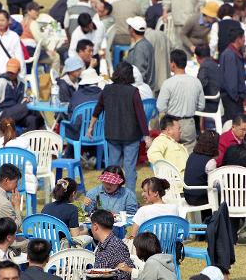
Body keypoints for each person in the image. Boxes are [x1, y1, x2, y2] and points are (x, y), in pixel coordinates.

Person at [87, 62, 151, 192]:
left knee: (113, 168)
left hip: (112, 134)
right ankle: (130, 198)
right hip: (131, 135)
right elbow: (140, 115)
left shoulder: (107, 89)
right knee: (130, 168)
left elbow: (98, 108)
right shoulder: (133, 91)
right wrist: (147, 135)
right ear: (130, 75)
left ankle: (112, 195)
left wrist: (91, 126)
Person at [157, 50, 205, 153]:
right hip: (189, 123)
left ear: (173, 64)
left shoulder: (168, 83)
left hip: (172, 124)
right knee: (189, 154)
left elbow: (161, 106)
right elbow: (201, 106)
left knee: (171, 153)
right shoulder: (196, 82)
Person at [0, 58, 43, 131]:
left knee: (32, 120)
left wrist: (28, 99)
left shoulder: (22, 83)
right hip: (3, 114)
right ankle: (43, 123)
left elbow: (24, 99)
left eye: (13, 72)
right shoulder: (1, 83)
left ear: (18, 71)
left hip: (19, 113)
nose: (10, 74)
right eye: (9, 71)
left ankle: (30, 140)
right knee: (28, 106)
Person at [64, 67, 102, 157]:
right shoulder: (104, 95)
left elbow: (70, 113)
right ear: (96, 81)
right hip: (100, 133)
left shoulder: (77, 95)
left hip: (78, 134)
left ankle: (69, 155)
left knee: (71, 124)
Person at [91, 209, 134, 280]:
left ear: (95, 226)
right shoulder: (102, 244)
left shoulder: (116, 246)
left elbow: (126, 274)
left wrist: (109, 275)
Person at [184, 131, 219, 215]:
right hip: (199, 198)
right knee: (218, 192)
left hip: (187, 195)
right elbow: (214, 183)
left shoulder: (191, 155)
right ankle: (215, 222)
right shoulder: (210, 162)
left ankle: (206, 223)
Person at [21, 1, 60, 72]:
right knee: (56, 57)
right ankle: (53, 80)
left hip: (23, 52)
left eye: (38, 10)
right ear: (29, 11)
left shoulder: (22, 22)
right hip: (31, 53)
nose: (38, 12)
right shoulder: (33, 23)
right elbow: (41, 41)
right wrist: (49, 49)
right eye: (35, 10)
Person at [219, 27, 246, 122]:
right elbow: (231, 80)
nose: (244, 40)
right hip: (232, 99)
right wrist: (236, 97)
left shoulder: (235, 53)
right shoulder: (230, 55)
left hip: (235, 98)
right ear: (238, 39)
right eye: (243, 37)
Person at [0, 10, 25, 77]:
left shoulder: (13, 36)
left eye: (3, 20)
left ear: (8, 21)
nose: (0, 23)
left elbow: (19, 56)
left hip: (8, 74)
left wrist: (22, 76)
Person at [126, 16, 155, 88]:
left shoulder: (140, 47)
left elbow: (139, 73)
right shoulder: (147, 44)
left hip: (139, 91)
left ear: (132, 30)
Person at [195, 46, 220, 113]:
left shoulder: (204, 67)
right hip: (218, 101)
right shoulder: (215, 64)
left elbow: (199, 86)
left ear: (197, 57)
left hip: (211, 103)